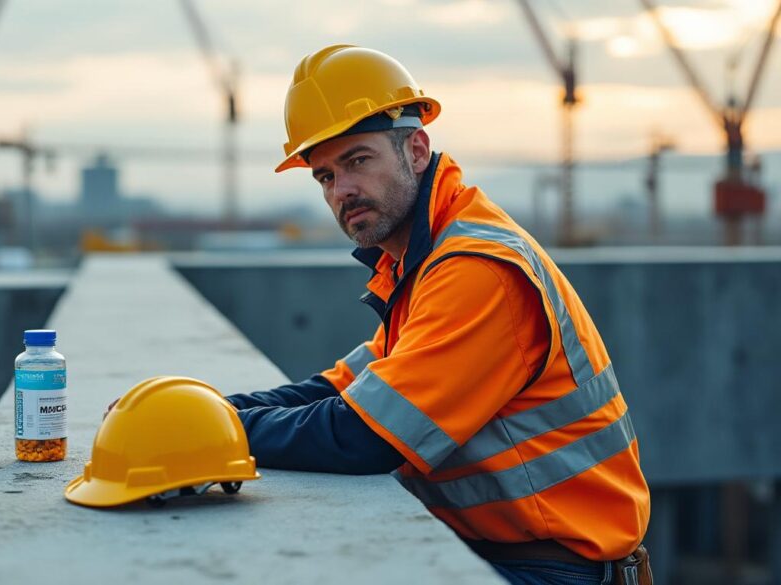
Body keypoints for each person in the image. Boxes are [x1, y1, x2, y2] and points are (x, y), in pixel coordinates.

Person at [223, 45, 653, 585]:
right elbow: (342, 389)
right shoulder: (420, 263)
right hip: (512, 554)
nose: (342, 190)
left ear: (418, 149)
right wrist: (210, 408)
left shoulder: (476, 270)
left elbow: (365, 435)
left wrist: (219, 432)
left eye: (358, 160)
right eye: (326, 176)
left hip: (553, 569)